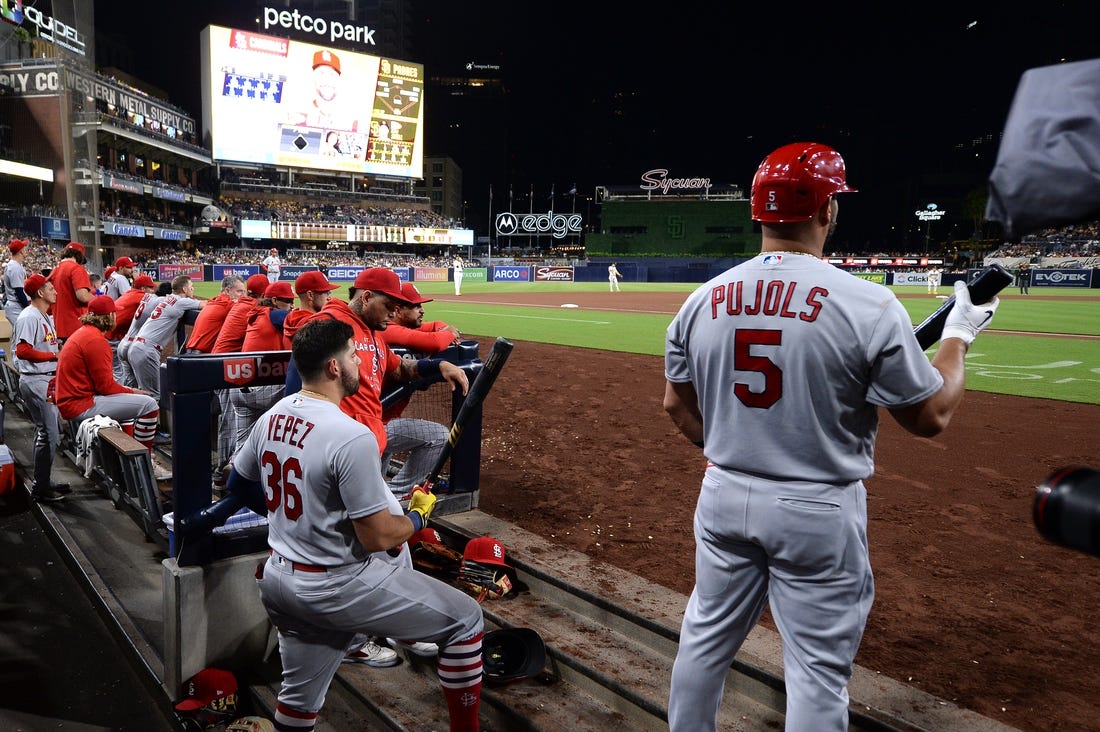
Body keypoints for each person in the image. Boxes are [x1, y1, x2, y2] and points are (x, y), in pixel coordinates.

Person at [662, 142, 1000, 732]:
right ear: (826, 211)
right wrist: (959, 336)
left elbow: (676, 405)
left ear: (756, 211)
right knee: (816, 675)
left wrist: (738, 451)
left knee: (703, 640)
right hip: (816, 506)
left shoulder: (700, 300)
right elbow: (930, 415)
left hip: (722, 491)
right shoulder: (867, 303)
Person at [227, 318, 484, 732]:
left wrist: (294, 517)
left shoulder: (273, 415)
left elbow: (238, 482)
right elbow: (379, 537)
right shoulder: (351, 435)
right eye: (352, 357)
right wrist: (418, 515)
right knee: (466, 620)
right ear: (334, 368)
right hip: (334, 586)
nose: (360, 367)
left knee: (298, 703)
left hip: (278, 581)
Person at [53, 295, 166, 478]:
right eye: (114, 313)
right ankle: (144, 464)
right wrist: (132, 391)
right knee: (149, 404)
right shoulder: (95, 340)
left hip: (73, 399)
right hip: (80, 404)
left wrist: (128, 393)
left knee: (129, 409)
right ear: (108, 316)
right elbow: (106, 387)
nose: (116, 317)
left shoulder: (85, 332)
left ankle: (129, 461)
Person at [377, 281, 460, 497]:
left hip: (377, 420)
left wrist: (445, 327)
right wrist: (449, 333)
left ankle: (386, 496)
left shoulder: (396, 327)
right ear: (398, 309)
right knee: (441, 437)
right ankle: (397, 495)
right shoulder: (389, 331)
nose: (422, 310)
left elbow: (436, 325)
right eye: (416, 306)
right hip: (372, 423)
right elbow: (434, 342)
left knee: (374, 482)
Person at [12, 274, 68, 503]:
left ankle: (43, 480)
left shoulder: (43, 315)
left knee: (48, 434)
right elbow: (23, 350)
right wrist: (52, 355)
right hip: (36, 380)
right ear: (40, 293)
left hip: (44, 379)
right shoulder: (29, 316)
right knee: (48, 435)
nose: (55, 291)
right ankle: (40, 488)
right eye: (51, 288)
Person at [227, 281, 296, 454]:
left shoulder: (256, 313)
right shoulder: (275, 314)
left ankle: (228, 475)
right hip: (264, 388)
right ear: (274, 300)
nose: (291, 305)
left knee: (242, 446)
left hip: (239, 388)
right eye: (288, 301)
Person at [124, 275, 202, 402]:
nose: (193, 290)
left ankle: (133, 420)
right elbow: (205, 305)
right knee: (152, 397)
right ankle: (146, 421)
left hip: (136, 346)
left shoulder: (166, 298)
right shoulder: (180, 301)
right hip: (146, 350)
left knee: (139, 392)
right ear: (184, 289)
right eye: (191, 287)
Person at [285, 49, 360, 132]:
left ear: (339, 79)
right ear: (313, 77)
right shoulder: (297, 112)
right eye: (322, 73)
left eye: (332, 74)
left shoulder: (351, 118)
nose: (327, 79)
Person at [107, 274, 157, 387]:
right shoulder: (141, 296)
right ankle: (120, 399)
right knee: (119, 373)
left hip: (109, 334)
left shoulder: (130, 293)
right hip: (112, 337)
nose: (152, 290)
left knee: (122, 372)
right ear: (143, 288)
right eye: (150, 288)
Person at [184, 275, 246, 354]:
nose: (243, 296)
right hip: (202, 357)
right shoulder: (228, 304)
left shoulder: (215, 300)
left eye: (244, 292)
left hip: (191, 353)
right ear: (227, 291)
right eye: (239, 291)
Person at [47, 242, 93, 344]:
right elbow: (83, 296)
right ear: (79, 256)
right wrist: (97, 298)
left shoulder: (54, 270)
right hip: (76, 325)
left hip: (59, 326)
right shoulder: (76, 268)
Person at [3, 237, 29, 327]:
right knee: (22, 336)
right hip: (16, 307)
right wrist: (28, 308)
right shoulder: (14, 267)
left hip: (17, 305)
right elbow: (19, 292)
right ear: (21, 251)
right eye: (24, 248)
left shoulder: (16, 265)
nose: (26, 250)